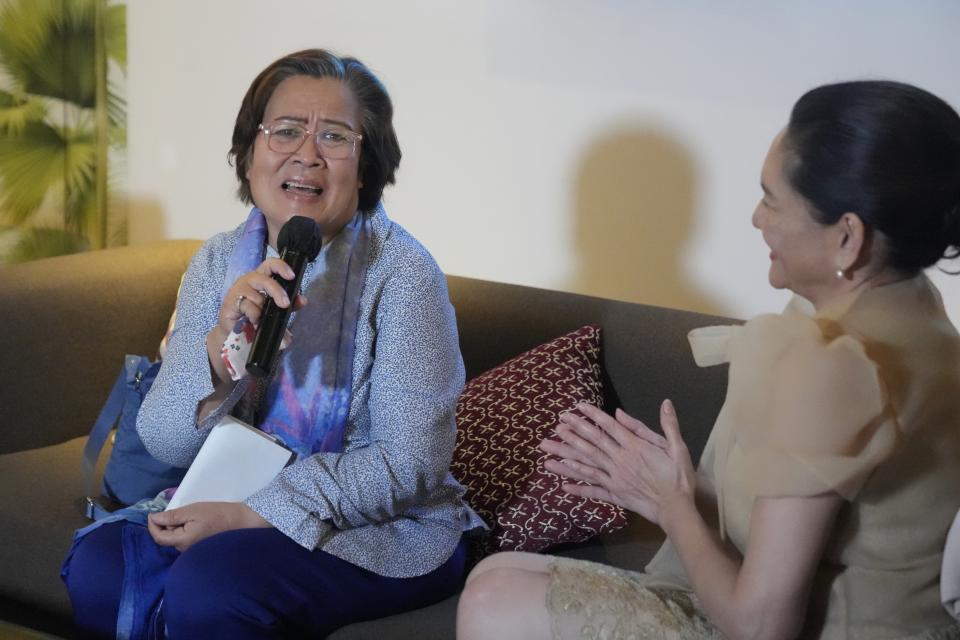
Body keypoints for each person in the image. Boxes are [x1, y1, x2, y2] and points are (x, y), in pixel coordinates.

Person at [457, 80, 960, 639]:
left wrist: (670, 504)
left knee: (494, 598)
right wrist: (674, 489)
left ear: (847, 237)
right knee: (502, 571)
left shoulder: (827, 364)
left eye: (771, 199)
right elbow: (823, 522)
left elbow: (762, 625)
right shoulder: (920, 311)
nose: (756, 219)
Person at [62, 48, 484, 639]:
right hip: (225, 498)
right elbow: (163, 438)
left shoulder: (404, 276)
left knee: (212, 584)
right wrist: (215, 358)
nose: (306, 154)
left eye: (334, 137)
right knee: (102, 566)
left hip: (377, 528)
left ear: (365, 167)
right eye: (285, 131)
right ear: (251, 152)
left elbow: (409, 464)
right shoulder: (218, 261)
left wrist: (256, 512)